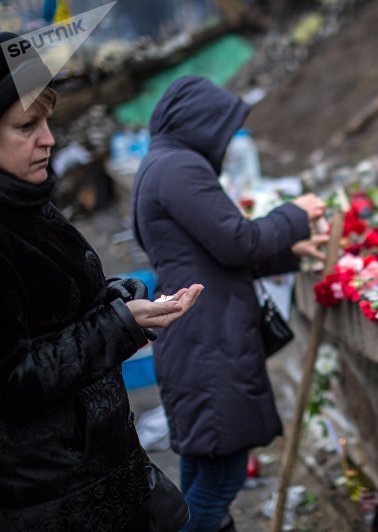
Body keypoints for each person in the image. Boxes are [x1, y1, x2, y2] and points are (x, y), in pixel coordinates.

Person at [0, 33, 203, 530]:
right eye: (27, 126)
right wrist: (117, 324)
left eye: (47, 121)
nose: (49, 139)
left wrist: (115, 300)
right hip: (54, 500)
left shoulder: (26, 203)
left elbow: (52, 312)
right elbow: (12, 379)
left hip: (97, 475)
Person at [131, 76, 327, 531]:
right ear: (201, 123)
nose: (230, 140)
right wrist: (296, 214)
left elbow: (205, 255)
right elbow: (238, 242)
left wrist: (287, 251)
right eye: (225, 128)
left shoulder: (160, 163)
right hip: (208, 340)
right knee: (221, 478)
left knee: (203, 468)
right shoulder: (180, 166)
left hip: (198, 335)